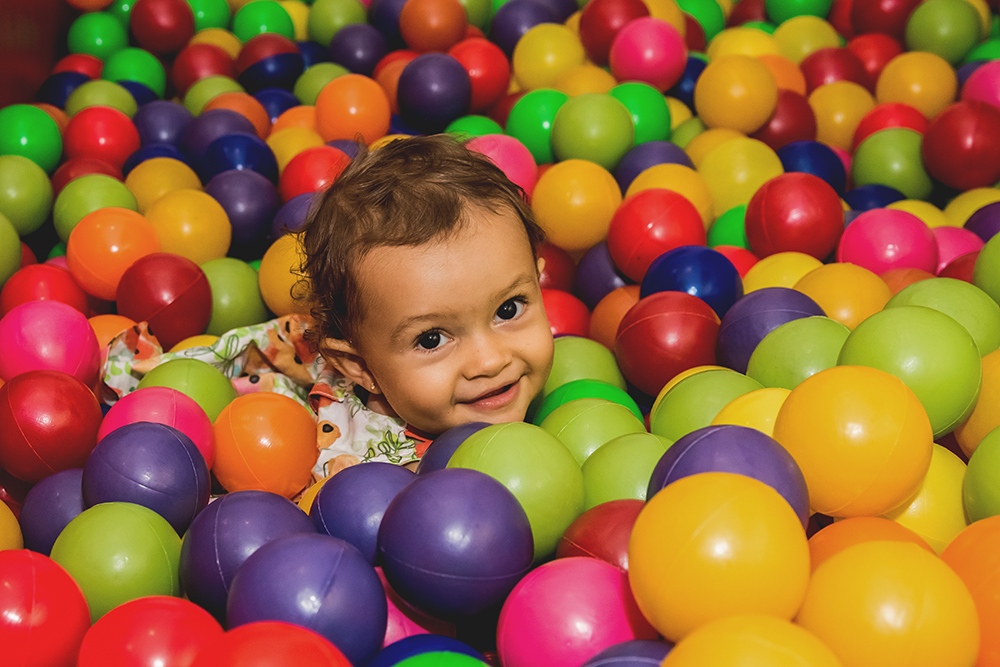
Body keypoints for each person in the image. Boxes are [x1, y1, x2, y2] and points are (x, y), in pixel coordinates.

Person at [298, 134, 555, 472]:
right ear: (361, 366)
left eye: (508, 309)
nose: (490, 361)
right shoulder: (365, 472)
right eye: (431, 339)